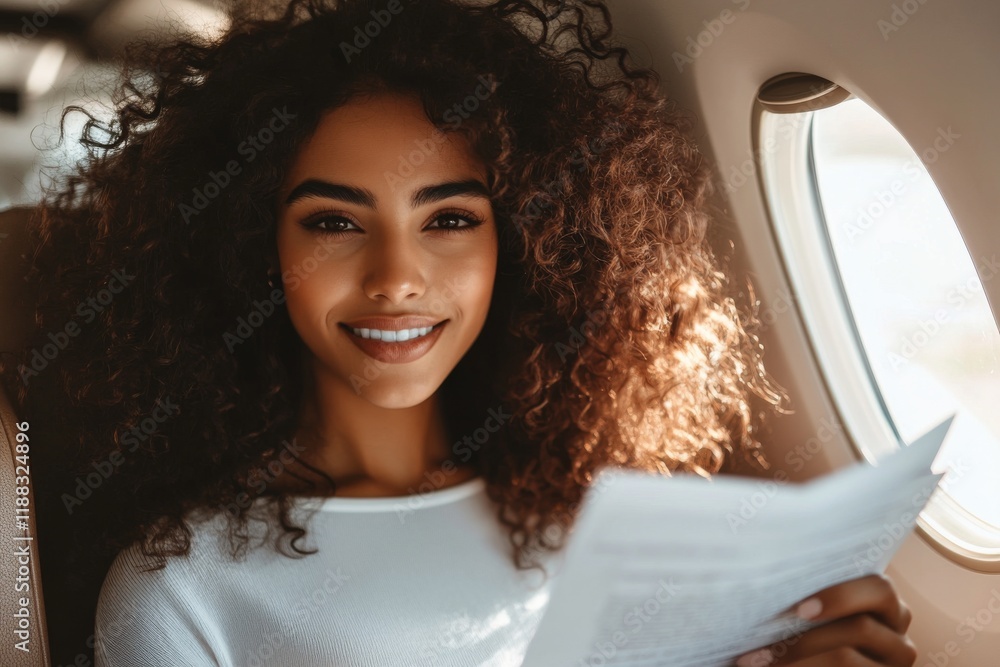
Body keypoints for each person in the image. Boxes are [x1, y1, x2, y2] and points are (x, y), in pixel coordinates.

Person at [0, 0, 918, 665]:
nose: (396, 277)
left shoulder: (630, 525)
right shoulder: (184, 588)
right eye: (332, 221)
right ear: (250, 245)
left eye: (449, 220)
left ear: (526, 244)